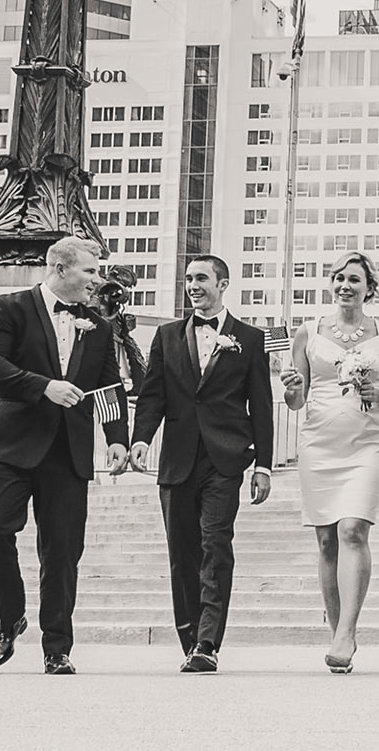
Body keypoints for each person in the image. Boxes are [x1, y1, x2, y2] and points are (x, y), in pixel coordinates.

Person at [0, 236, 131, 674]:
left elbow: (109, 386)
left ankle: (57, 648)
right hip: (11, 444)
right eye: (90, 271)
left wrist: (116, 437)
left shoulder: (99, 325)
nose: (98, 280)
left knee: (62, 552)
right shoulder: (8, 307)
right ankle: (8, 617)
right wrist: (43, 386)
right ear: (60, 269)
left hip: (68, 451)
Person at [131, 255, 275, 674]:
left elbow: (261, 407)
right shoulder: (166, 336)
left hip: (225, 459)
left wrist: (263, 465)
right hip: (177, 459)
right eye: (189, 279)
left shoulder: (250, 338)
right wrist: (142, 438)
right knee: (182, 552)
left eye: (201, 278)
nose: (192, 285)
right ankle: (189, 638)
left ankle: (208, 642)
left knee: (216, 546)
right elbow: (153, 394)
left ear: (223, 284)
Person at [279, 252, 379, 673]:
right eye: (338, 278)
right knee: (327, 540)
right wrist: (291, 388)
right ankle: (338, 634)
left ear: (370, 287)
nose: (345, 285)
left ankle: (348, 633)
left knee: (353, 529)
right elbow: (296, 400)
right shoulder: (307, 332)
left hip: (370, 441)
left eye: (354, 279)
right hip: (320, 443)